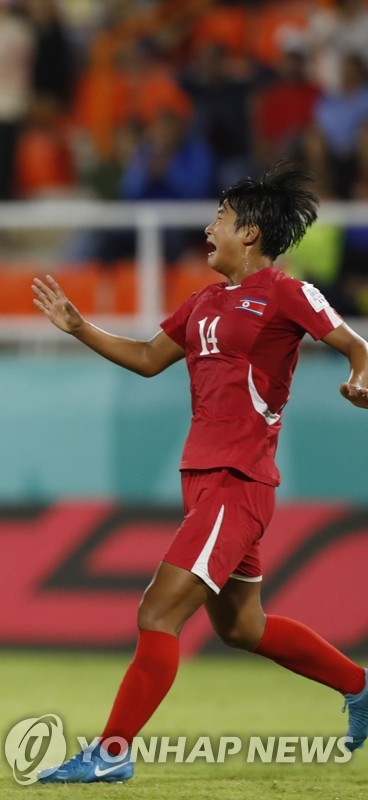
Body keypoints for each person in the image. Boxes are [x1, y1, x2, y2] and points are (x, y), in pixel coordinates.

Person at [32, 162, 368, 784]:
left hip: (239, 480)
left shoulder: (286, 292)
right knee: (244, 627)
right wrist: (81, 328)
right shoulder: (205, 302)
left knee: (157, 614)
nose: (208, 227)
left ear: (251, 233)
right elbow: (145, 357)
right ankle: (359, 686)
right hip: (205, 479)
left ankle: (110, 755)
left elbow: (355, 343)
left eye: (220, 217)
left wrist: (360, 376)